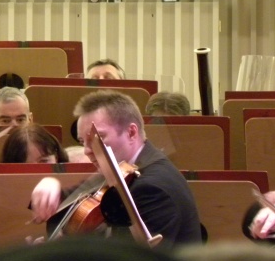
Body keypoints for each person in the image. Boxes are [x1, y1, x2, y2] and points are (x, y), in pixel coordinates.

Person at [30, 90, 202, 248]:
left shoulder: (152, 188)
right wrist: (50, 185)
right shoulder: (121, 167)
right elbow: (73, 206)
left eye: (98, 138)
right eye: (83, 141)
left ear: (131, 133)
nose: (87, 151)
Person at [0, 124, 68, 246]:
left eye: (44, 161)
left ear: (56, 158)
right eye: (25, 165)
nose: (36, 171)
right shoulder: (3, 188)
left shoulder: (75, 184)